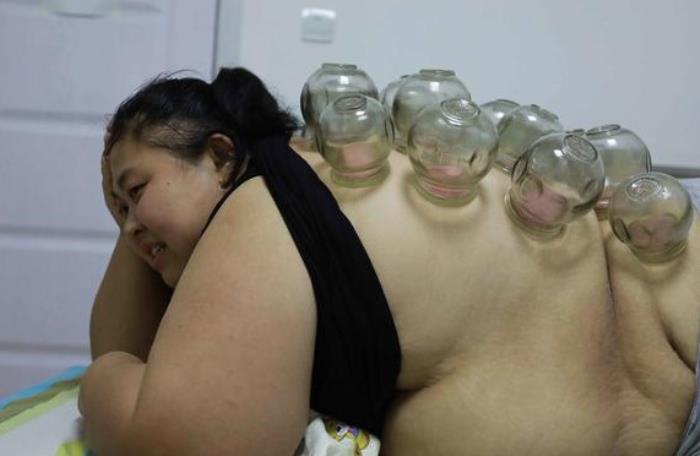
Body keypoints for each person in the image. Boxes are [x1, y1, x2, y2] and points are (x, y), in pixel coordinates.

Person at [78, 67, 700, 456]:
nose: (128, 228)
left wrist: (98, 381)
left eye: (136, 191)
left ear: (221, 155)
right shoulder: (344, 169)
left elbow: (172, 440)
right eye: (115, 212)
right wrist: (137, 204)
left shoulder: (261, 208)